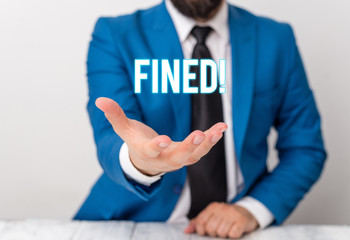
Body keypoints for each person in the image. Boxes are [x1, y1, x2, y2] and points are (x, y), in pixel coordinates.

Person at [74, 0, 327, 238]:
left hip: (236, 229)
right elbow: (112, 132)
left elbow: (305, 148)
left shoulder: (276, 40)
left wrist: (251, 210)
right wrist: (139, 161)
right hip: (128, 224)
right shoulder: (115, 35)